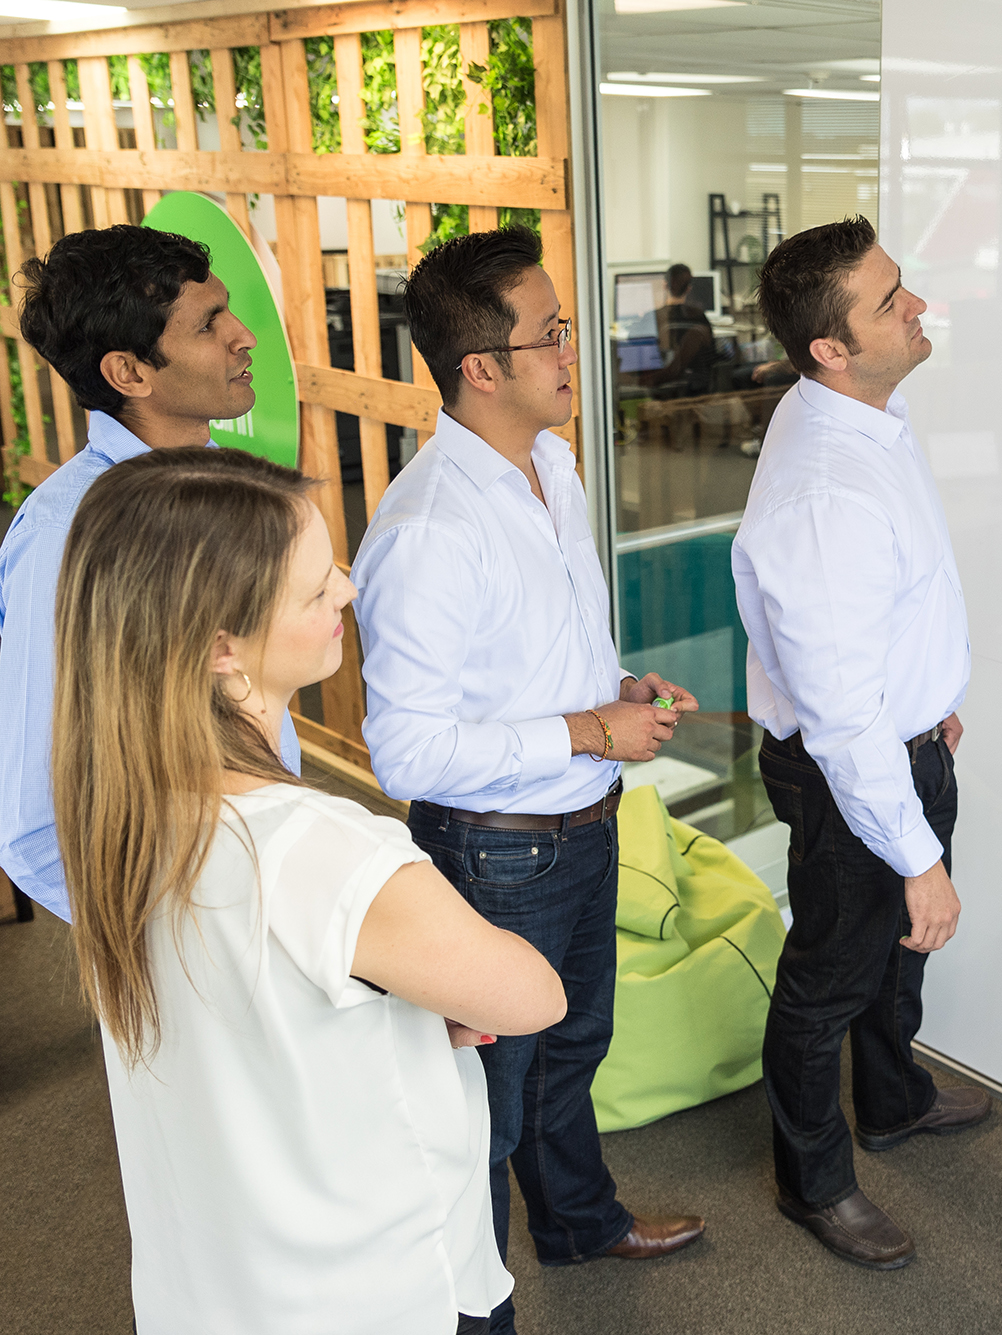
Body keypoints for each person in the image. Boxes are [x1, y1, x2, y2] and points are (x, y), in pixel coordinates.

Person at [54, 445, 566, 1334]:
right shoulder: (325, 848)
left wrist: (404, 1006)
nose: (348, 590)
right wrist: (428, 996)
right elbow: (532, 995)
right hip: (382, 1291)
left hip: (211, 1290)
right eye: (314, 586)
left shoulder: (120, 817)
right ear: (221, 648)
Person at [351, 226, 703, 1335]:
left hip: (582, 823)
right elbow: (406, 752)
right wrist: (590, 729)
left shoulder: (552, 465)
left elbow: (541, 649)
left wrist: (615, 688)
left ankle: (579, 1223)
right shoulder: (427, 529)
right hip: (498, 851)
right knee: (484, 1106)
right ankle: (474, 1314)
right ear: (481, 368)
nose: (571, 350)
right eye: (550, 334)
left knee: (571, 1047)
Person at [732, 215, 990, 1270]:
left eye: (901, 284)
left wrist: (931, 696)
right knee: (829, 978)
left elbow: (877, 612)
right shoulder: (823, 493)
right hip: (855, 769)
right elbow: (840, 716)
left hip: (902, 741)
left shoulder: (858, 412)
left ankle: (891, 1098)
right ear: (829, 348)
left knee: (892, 953)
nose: (917, 305)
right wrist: (918, 859)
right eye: (890, 302)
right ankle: (815, 1182)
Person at [0, 224, 302, 922]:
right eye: (208, 325)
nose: (245, 337)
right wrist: (175, 938)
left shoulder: (234, 482)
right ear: (129, 373)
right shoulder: (65, 534)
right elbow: (32, 825)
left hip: (272, 886)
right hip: (185, 928)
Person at [652, 262, 718, 395]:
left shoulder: (655, 317)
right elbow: (712, 353)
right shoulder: (699, 317)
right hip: (697, 386)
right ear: (689, 288)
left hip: (664, 383)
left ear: (665, 285)